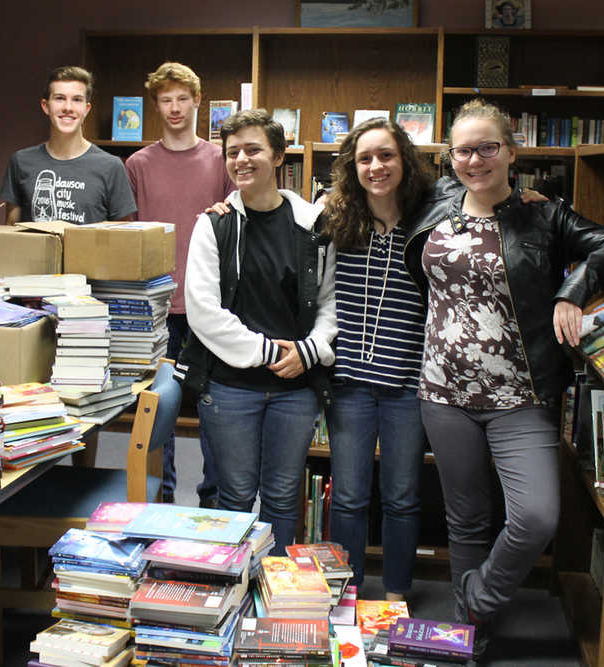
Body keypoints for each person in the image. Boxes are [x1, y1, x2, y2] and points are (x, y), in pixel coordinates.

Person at [402, 99, 604, 659]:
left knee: (535, 517)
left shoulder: (543, 215)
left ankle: (477, 600)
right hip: (442, 394)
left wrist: (570, 292)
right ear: (448, 156)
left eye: (487, 148)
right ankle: (471, 633)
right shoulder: (435, 207)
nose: (474, 160)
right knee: (468, 518)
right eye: (463, 150)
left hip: (520, 398)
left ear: (511, 153)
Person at [177, 109, 336, 554]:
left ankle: (275, 589)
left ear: (280, 155)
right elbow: (203, 312)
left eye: (253, 149)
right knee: (235, 495)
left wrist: (308, 352)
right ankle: (232, 594)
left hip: (295, 387)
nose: (241, 159)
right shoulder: (214, 224)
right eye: (232, 152)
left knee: (285, 497)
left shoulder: (313, 226)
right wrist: (270, 351)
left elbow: (329, 303)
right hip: (230, 388)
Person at [323, 117, 436, 600]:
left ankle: (395, 592)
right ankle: (346, 591)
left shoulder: (430, 222)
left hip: (406, 385)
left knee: (403, 498)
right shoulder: (333, 220)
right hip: (349, 383)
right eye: (365, 158)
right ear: (353, 167)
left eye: (386, 155)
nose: (376, 166)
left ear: (404, 160)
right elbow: (274, 211)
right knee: (348, 497)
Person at [125, 62, 232, 507]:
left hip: (209, 305)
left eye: (182, 98)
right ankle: (161, 500)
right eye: (166, 100)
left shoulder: (221, 159)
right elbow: (127, 236)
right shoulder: (137, 165)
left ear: (197, 101)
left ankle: (212, 502)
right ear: (156, 106)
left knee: (214, 410)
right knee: (157, 410)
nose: (174, 108)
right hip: (155, 306)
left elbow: (236, 225)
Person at [0, 65, 136, 224]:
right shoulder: (21, 162)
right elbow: (11, 230)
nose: (68, 108)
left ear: (86, 109)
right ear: (45, 106)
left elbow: (124, 237)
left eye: (77, 99)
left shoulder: (111, 167)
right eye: (59, 98)